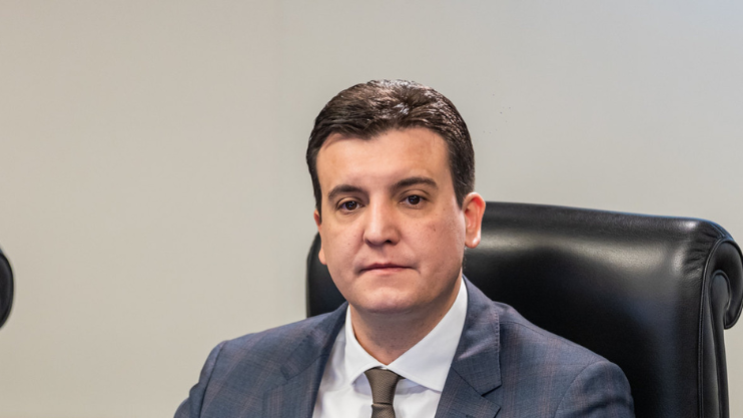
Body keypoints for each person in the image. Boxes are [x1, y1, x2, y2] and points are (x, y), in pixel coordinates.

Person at [175, 80, 635, 418]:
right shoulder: (233, 375)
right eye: (350, 204)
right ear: (322, 231)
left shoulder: (570, 397)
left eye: (412, 199)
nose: (377, 232)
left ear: (469, 219)